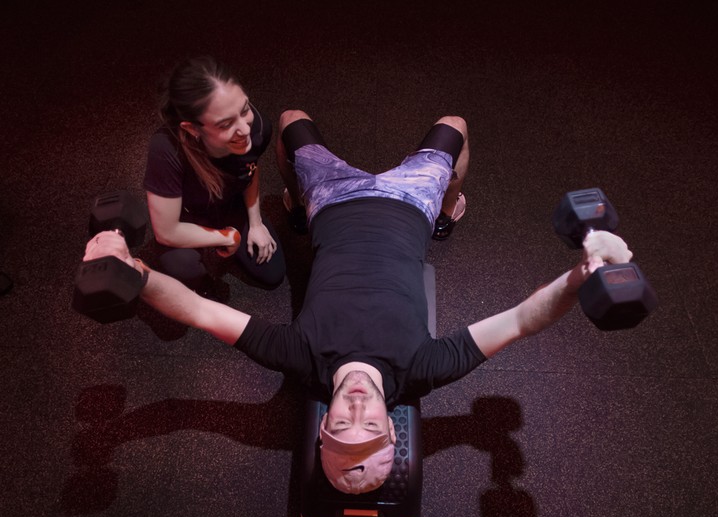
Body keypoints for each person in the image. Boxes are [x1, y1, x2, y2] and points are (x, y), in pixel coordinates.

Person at [83, 111, 633, 494]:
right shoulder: (421, 369)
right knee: (456, 126)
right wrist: (580, 274)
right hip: (411, 202)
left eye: (340, 426)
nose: (355, 409)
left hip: (331, 201)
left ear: (322, 426)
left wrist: (138, 270)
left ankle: (295, 207)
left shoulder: (299, 357)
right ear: (393, 427)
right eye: (368, 425)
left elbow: (200, 313)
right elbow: (519, 322)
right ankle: (446, 213)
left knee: (293, 118)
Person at [142, 56, 285, 297]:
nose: (245, 129)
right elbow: (166, 230)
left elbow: (251, 170)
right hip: (189, 218)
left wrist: (256, 222)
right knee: (183, 267)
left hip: (231, 204)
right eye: (225, 124)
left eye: (245, 109)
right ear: (192, 128)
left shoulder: (258, 127)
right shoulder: (165, 150)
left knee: (272, 273)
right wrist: (228, 236)